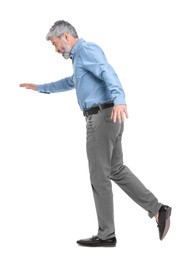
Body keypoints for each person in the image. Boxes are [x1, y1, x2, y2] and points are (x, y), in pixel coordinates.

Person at [20, 20, 172, 247]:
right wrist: (41, 87)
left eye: (55, 44)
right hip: (109, 117)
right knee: (116, 169)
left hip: (101, 118)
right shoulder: (79, 59)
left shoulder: (86, 50)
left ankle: (106, 234)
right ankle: (158, 209)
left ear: (66, 37)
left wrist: (120, 98)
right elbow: (72, 81)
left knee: (99, 176)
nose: (56, 49)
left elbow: (106, 71)